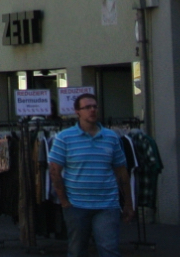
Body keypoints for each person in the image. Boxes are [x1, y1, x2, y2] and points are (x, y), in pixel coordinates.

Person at [48, 93, 134, 257]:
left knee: (109, 250)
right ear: (77, 112)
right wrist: (64, 201)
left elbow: (122, 172)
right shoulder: (64, 138)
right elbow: (54, 171)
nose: (92, 110)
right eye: (87, 107)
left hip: (107, 205)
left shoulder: (111, 137)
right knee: (77, 251)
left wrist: (128, 204)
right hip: (77, 205)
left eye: (95, 106)